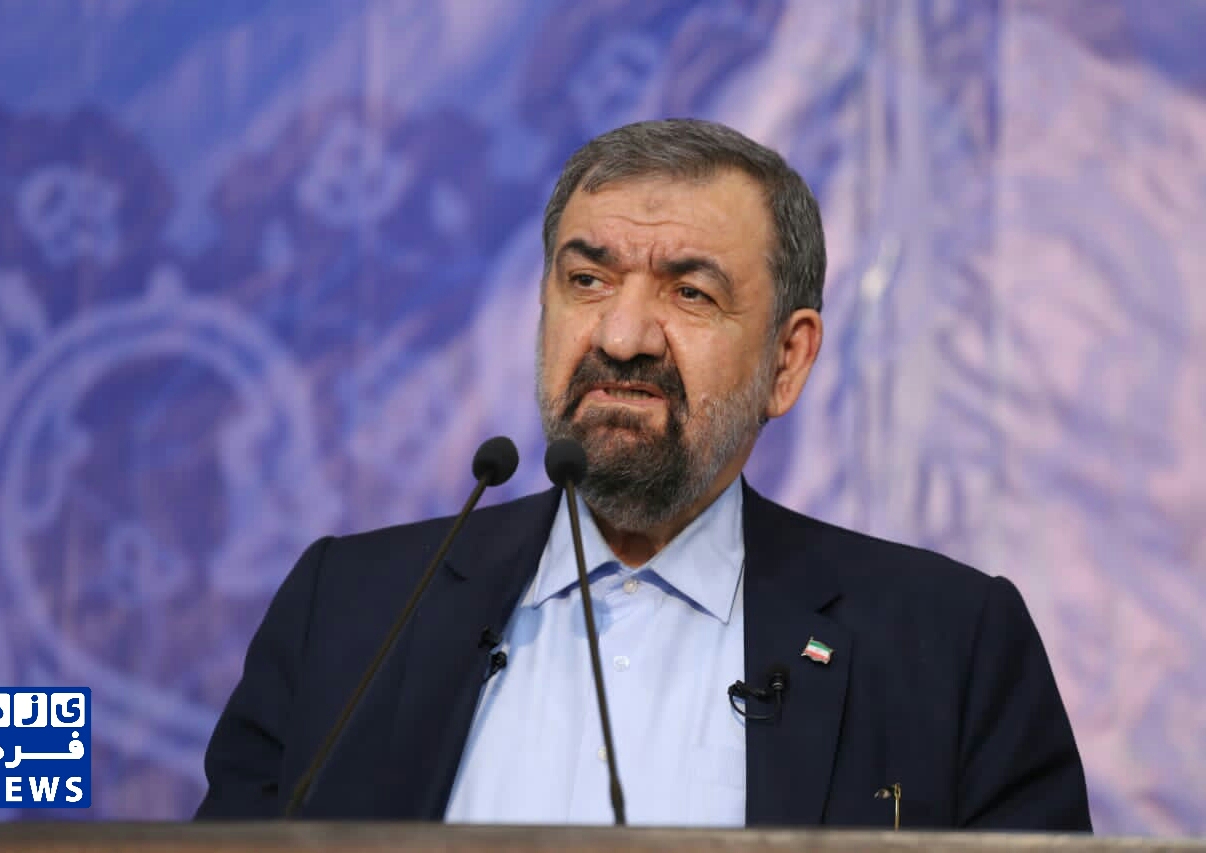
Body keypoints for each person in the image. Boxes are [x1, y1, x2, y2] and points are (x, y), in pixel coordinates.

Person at [195, 119, 1091, 829]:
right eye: (587, 280)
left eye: (690, 292)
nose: (622, 336)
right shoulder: (347, 612)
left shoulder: (951, 648)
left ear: (787, 360)